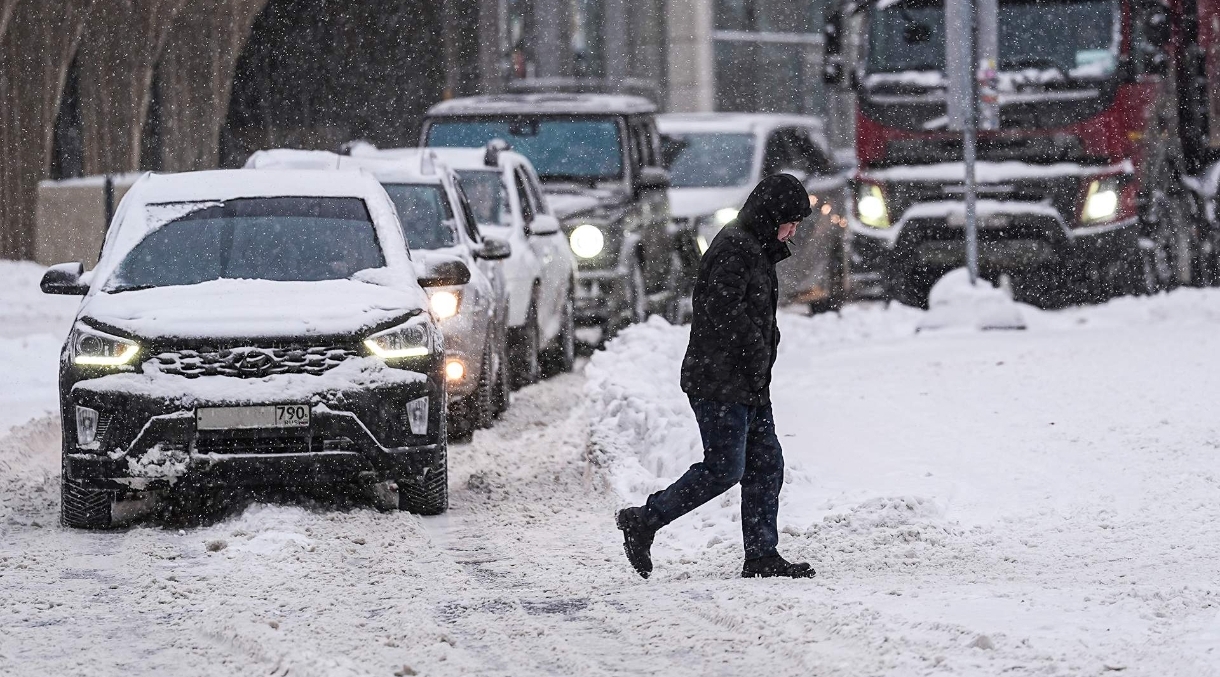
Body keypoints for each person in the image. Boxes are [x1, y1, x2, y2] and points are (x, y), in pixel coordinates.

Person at [616, 174, 815, 580]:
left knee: (766, 464)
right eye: (791, 220)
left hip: (748, 380)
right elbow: (722, 312)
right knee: (724, 468)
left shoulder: (758, 247)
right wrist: (755, 350)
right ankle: (644, 520)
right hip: (719, 380)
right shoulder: (735, 248)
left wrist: (761, 356)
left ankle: (761, 556)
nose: (794, 229)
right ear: (771, 214)